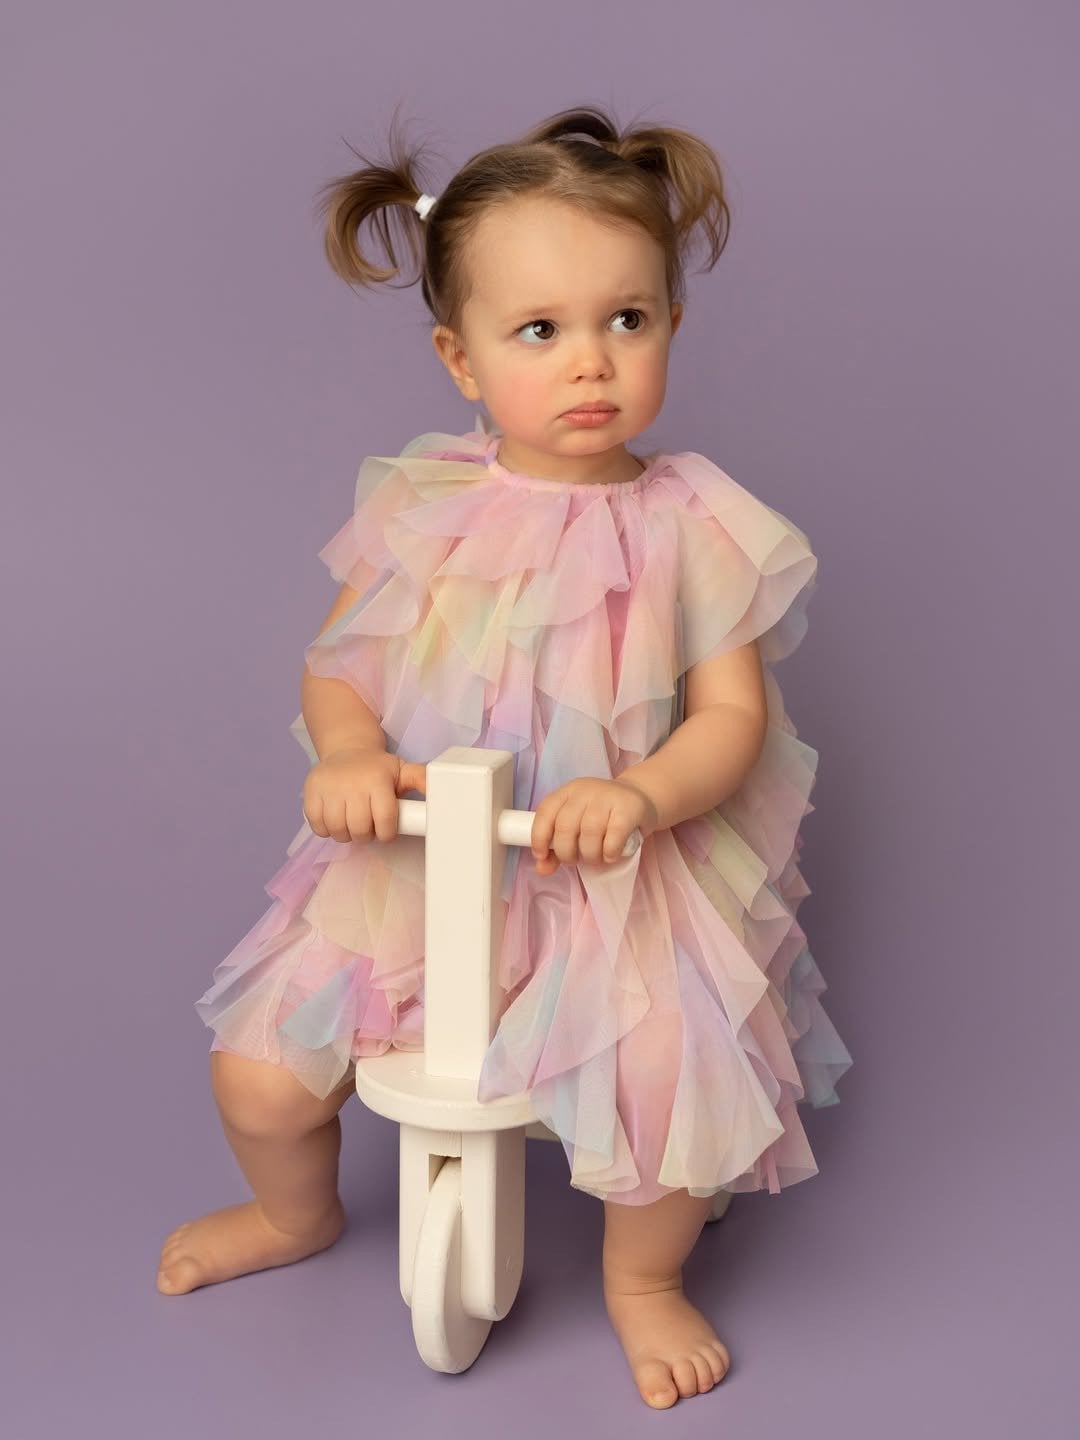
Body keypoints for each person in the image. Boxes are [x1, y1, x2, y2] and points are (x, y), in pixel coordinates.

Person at [157, 104, 853, 1409]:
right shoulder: (427, 505)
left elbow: (731, 720)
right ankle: (294, 1213)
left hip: (610, 884)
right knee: (257, 1073)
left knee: (672, 1089)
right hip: (418, 872)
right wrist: (348, 750)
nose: (590, 362)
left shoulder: (695, 525)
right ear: (460, 357)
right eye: (539, 331)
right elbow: (338, 662)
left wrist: (640, 792)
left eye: (626, 320)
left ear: (672, 323)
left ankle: (644, 1280)